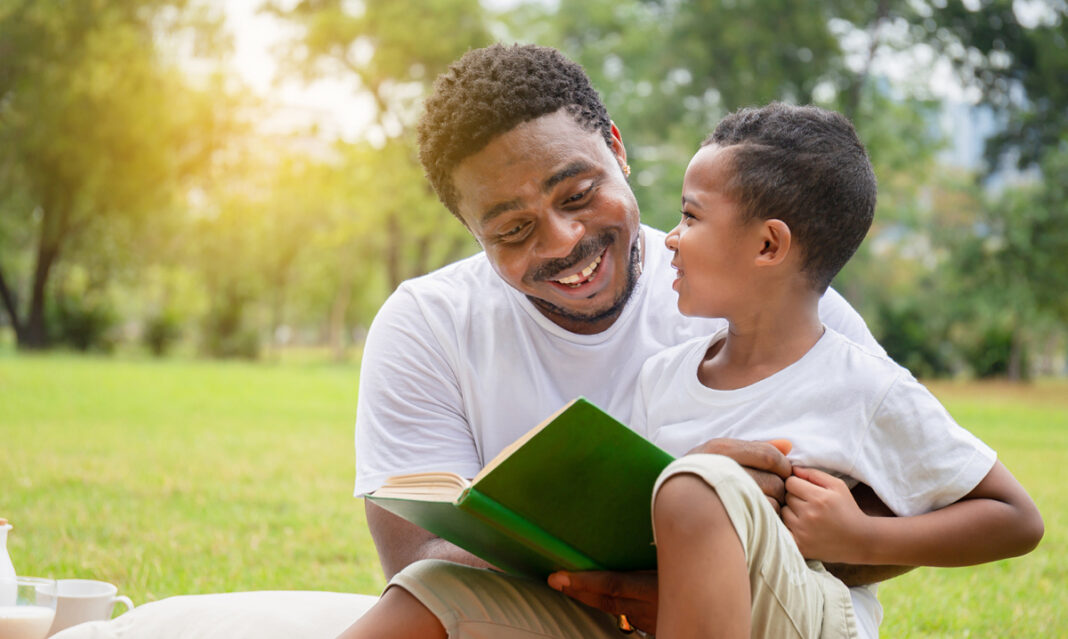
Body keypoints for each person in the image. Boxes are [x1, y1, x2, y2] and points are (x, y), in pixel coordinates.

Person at [342, 44, 902, 638]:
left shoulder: (769, 291)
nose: (561, 242)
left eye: (578, 194)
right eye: (512, 229)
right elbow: (417, 560)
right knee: (423, 598)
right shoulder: (427, 323)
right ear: (472, 231)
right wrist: (637, 554)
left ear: (617, 147)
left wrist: (715, 546)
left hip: (760, 608)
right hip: (568, 611)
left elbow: (915, 505)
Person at [629, 102, 1043, 638]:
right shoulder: (661, 376)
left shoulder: (863, 385)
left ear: (767, 244)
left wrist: (857, 538)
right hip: (672, 614)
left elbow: (1015, 518)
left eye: (691, 216)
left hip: (811, 613)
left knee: (697, 487)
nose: (671, 237)